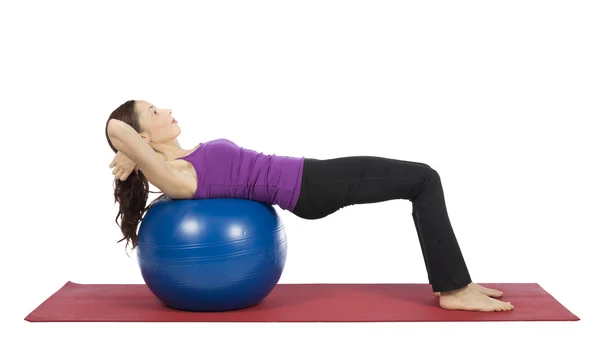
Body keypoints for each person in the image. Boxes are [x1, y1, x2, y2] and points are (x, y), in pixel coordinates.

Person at [105, 99, 514, 313]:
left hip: (309, 174)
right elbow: (115, 127)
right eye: (155, 112)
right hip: (309, 188)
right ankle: (455, 289)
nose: (169, 109)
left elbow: (126, 134)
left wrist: (137, 152)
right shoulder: (176, 177)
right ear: (143, 133)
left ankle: (459, 282)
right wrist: (137, 154)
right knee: (424, 178)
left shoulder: (181, 158)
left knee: (422, 179)